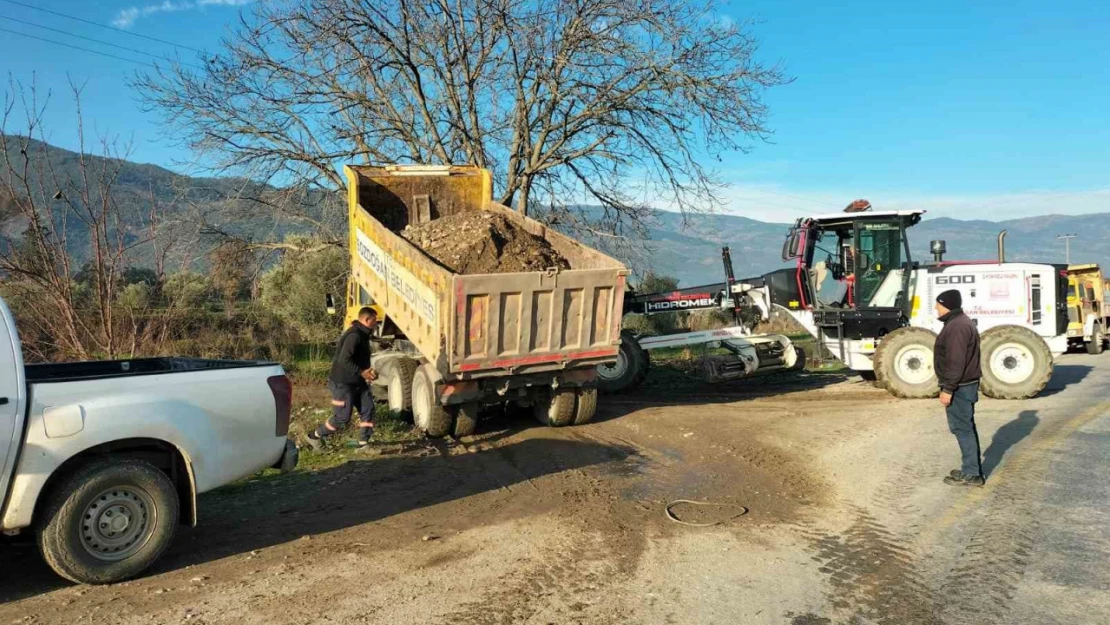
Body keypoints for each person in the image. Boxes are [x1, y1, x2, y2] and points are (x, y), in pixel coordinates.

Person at [306, 307, 379, 451]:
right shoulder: (354, 336)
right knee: (342, 417)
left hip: (357, 381)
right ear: (366, 320)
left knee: (368, 408)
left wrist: (367, 372)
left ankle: (364, 444)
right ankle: (314, 436)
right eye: (374, 321)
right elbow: (343, 360)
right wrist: (362, 372)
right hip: (342, 383)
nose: (376, 324)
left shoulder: (363, 334)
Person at [933, 289, 984, 486]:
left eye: (938, 303)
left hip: (960, 387)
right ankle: (970, 468)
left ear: (947, 304)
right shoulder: (959, 323)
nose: (936, 307)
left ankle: (972, 474)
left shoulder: (957, 327)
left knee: (963, 429)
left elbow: (956, 361)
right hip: (963, 385)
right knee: (965, 427)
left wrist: (948, 389)